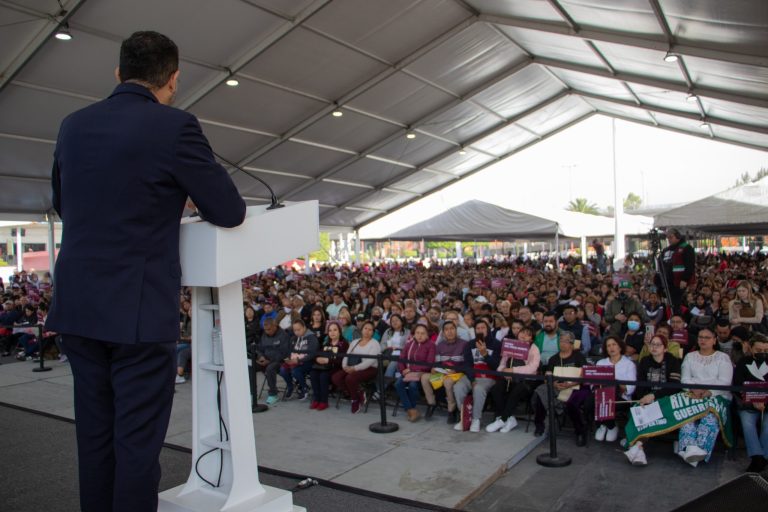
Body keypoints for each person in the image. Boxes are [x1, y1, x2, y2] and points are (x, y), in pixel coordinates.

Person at [45, 31, 246, 512]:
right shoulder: (175, 127)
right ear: (173, 79)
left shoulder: (73, 125)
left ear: (118, 72)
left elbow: (63, 202)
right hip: (136, 311)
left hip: (78, 305)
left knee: (95, 439)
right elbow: (229, 210)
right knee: (136, 445)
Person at [677, 328, 733, 467]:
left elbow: (725, 381)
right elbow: (685, 379)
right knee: (687, 417)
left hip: (717, 396)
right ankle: (690, 450)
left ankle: (696, 452)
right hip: (693, 394)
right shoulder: (690, 356)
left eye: (707, 337)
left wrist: (709, 391)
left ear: (714, 340)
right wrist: (694, 389)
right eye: (700, 337)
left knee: (710, 419)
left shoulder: (723, 357)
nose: (703, 340)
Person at [624, 333, 682, 465]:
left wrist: (654, 396)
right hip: (647, 399)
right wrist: (644, 397)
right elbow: (640, 385)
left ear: (665, 348)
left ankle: (637, 446)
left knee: (649, 414)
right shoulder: (645, 361)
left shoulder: (673, 361)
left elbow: (674, 386)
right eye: (652, 344)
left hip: (666, 399)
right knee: (638, 411)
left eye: (658, 345)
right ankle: (638, 448)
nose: (654, 347)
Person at [486, 326, 540, 433]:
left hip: (526, 380)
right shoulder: (511, 345)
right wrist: (504, 371)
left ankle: (502, 419)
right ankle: (510, 419)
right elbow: (502, 363)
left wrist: (513, 370)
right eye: (522, 332)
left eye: (528, 335)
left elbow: (533, 368)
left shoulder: (534, 349)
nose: (524, 336)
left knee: (516, 391)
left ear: (531, 339)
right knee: (496, 389)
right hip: (508, 377)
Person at [453, 319, 501, 432]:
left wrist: (485, 354)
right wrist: (472, 379)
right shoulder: (470, 344)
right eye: (478, 328)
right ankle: (464, 416)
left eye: (483, 328)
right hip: (473, 374)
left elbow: (496, 366)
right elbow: (467, 364)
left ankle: (476, 419)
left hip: (489, 375)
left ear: (488, 329)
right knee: (458, 387)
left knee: (479, 389)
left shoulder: (496, 344)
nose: (480, 330)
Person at [732, 333, 768, 472]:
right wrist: (753, 402)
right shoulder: (743, 362)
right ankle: (757, 457)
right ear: (751, 348)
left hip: (767, 406)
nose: (762, 353)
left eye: (766, 350)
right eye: (759, 350)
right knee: (747, 424)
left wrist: (764, 403)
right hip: (747, 404)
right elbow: (737, 385)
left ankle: (763, 458)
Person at [422, 320, 468, 424]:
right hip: (443, 373)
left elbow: (467, 364)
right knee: (425, 377)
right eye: (446, 330)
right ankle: (431, 403)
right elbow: (438, 362)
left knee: (448, 381)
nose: (449, 331)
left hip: (458, 373)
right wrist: (434, 368)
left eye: (452, 329)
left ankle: (452, 409)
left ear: (456, 330)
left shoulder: (464, 344)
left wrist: (456, 370)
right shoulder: (440, 345)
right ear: (443, 333)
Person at [593, 336, 636, 443]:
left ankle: (611, 426)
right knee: (590, 401)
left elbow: (631, 388)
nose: (611, 348)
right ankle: (603, 425)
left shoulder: (629, 364)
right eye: (608, 346)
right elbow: (593, 383)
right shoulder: (600, 363)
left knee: (610, 389)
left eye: (614, 344)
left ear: (620, 347)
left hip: (621, 397)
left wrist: (615, 382)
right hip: (601, 395)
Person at [331, 320, 381, 413]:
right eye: (365, 328)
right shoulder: (355, 342)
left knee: (350, 378)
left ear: (373, 332)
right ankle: (359, 393)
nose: (367, 331)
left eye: (370, 330)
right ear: (361, 330)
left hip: (370, 369)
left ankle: (355, 400)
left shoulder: (375, 344)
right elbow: (347, 355)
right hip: (352, 366)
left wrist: (354, 368)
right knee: (336, 377)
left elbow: (369, 362)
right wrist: (345, 366)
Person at [395, 324, 436, 421]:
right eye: (417, 333)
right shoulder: (409, 344)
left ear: (427, 335)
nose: (420, 336)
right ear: (414, 334)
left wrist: (411, 369)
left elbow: (429, 364)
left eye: (422, 333)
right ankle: (411, 409)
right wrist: (403, 371)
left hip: (422, 373)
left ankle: (411, 409)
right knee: (398, 384)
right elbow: (401, 359)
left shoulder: (431, 345)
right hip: (407, 373)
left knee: (413, 385)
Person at [250, 317, 292, 406]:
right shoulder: (264, 335)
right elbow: (260, 349)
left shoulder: (283, 335)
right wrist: (260, 357)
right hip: (266, 359)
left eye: (269, 329)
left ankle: (273, 394)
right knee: (251, 366)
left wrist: (269, 361)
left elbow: (284, 353)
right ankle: (253, 392)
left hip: (279, 361)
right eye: (265, 329)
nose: (267, 331)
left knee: (270, 368)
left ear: (275, 326)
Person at [309, 321, 348, 411]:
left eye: (335, 330)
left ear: (339, 331)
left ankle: (324, 401)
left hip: (336, 367)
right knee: (313, 373)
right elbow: (317, 354)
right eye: (330, 330)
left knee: (323, 376)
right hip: (324, 366)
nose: (332, 332)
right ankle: (316, 399)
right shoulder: (326, 343)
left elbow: (342, 360)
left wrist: (328, 360)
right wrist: (317, 359)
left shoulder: (344, 344)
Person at [658, 228, 695, 313]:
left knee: (677, 304)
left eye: (671, 237)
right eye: (668, 238)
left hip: (679, 282)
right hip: (667, 282)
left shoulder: (686, 248)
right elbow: (660, 264)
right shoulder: (666, 250)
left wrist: (685, 279)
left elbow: (690, 265)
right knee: (669, 304)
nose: (669, 239)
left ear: (677, 236)